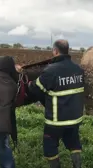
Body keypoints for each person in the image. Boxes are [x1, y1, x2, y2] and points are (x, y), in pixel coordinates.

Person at [21, 39, 85, 168]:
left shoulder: (51, 71)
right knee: (74, 143)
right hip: (75, 118)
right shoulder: (78, 69)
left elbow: (34, 89)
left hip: (57, 121)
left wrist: (26, 80)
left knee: (50, 146)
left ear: (55, 51)